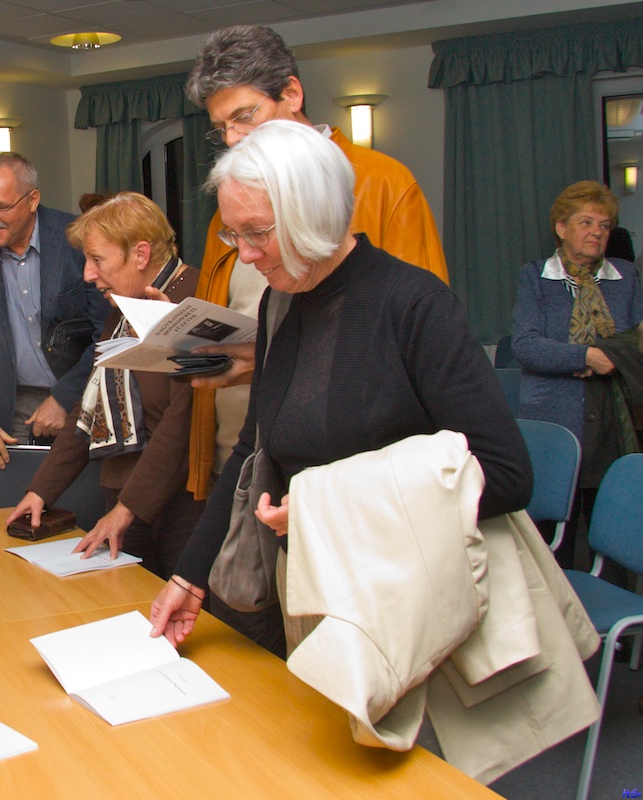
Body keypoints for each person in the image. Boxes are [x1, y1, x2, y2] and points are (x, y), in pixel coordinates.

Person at [149, 121, 532, 657]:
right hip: (312, 583)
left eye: (258, 232)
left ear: (316, 215)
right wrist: (190, 577)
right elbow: (253, 449)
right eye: (234, 235)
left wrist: (328, 510)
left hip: (411, 595)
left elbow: (506, 476)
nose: (246, 255)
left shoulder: (414, 305)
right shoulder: (279, 303)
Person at [178, 23, 451, 652]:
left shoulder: (382, 186)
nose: (234, 138)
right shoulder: (234, 206)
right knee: (264, 656)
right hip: (258, 451)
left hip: (361, 499)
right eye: (221, 128)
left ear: (293, 94)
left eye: (244, 116)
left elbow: (405, 359)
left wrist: (268, 363)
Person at [6, 193, 203, 579]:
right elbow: (89, 405)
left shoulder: (194, 301)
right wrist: (41, 491)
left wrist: (126, 510)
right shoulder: (124, 306)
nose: (87, 274)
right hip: (122, 494)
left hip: (179, 503)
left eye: (97, 259)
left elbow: (182, 423)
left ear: (140, 254)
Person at [0, 152, 109, 472]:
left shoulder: (77, 238)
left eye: (0, 207)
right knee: (17, 499)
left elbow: (108, 334)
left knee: (87, 496)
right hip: (11, 408)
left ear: (32, 200)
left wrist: (64, 397)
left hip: (86, 395)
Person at [511, 181, 643, 569]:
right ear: (561, 227)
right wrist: (586, 356)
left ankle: (609, 606)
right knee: (553, 546)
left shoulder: (626, 277)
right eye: (586, 222)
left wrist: (607, 356)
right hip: (554, 421)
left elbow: (638, 341)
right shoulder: (534, 277)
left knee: (613, 537)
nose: (596, 232)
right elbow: (526, 346)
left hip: (611, 423)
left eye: (604, 225)